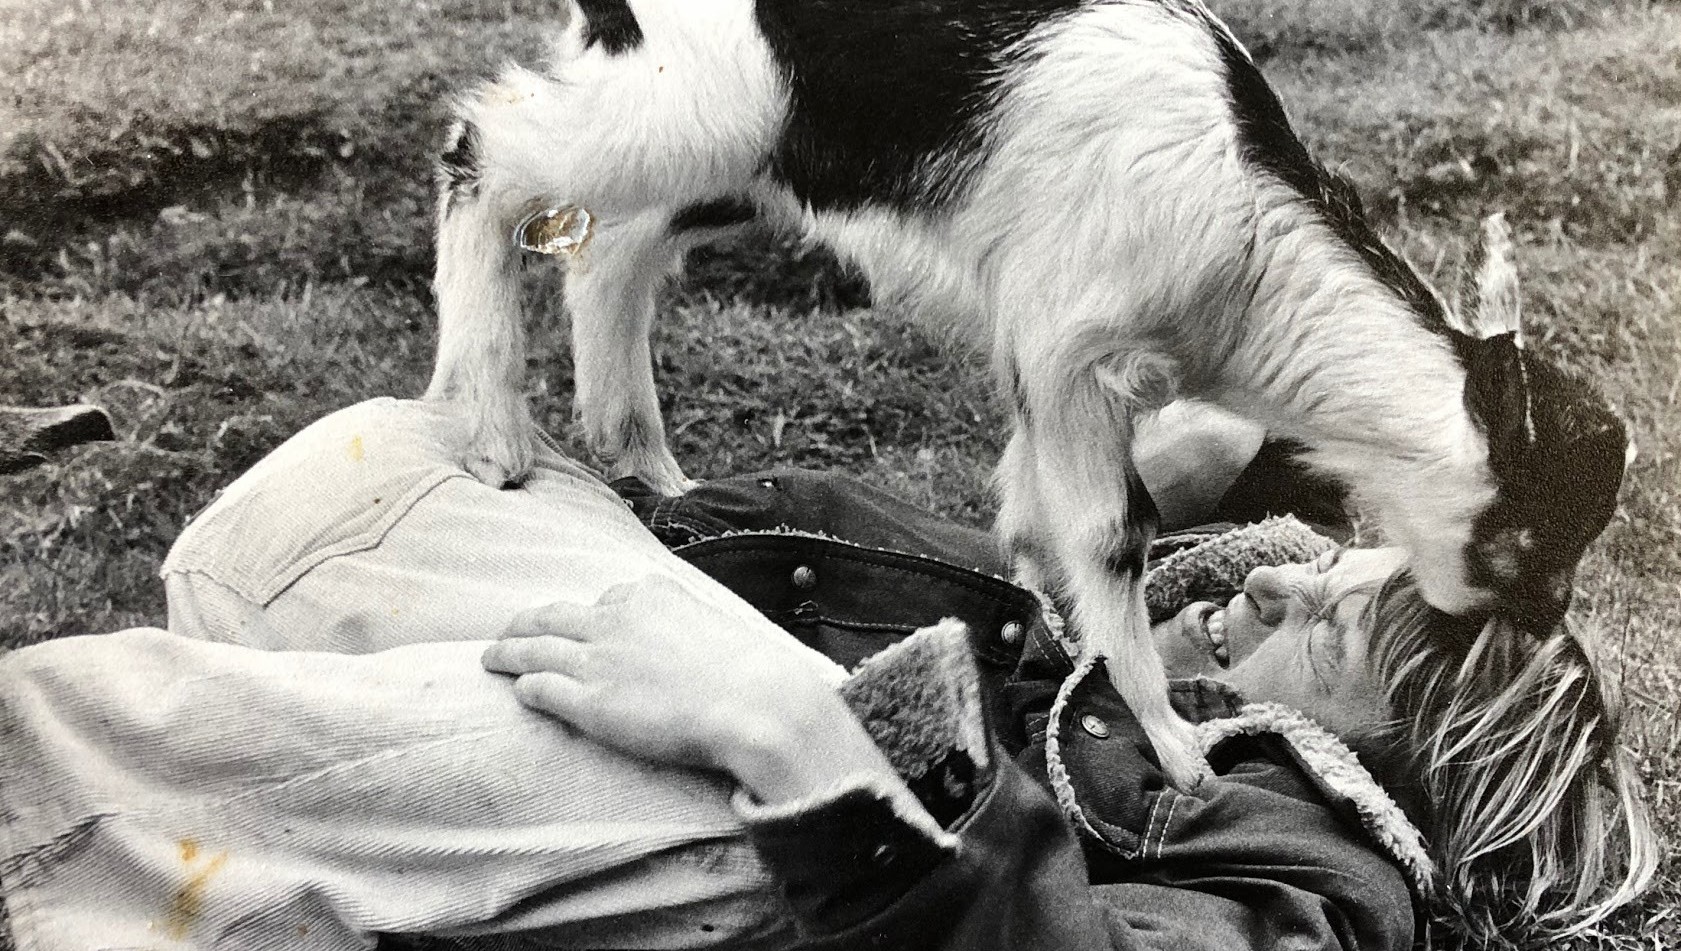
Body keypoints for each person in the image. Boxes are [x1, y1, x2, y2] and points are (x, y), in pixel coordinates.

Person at [0, 398, 1654, 951]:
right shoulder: (1113, 662)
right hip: (357, 550)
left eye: (1336, 621)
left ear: (1401, 752)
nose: (1283, 578)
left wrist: (826, 764)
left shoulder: (1321, 863)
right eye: (1317, 551)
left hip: (777, 853)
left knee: (82, 773)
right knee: (450, 477)